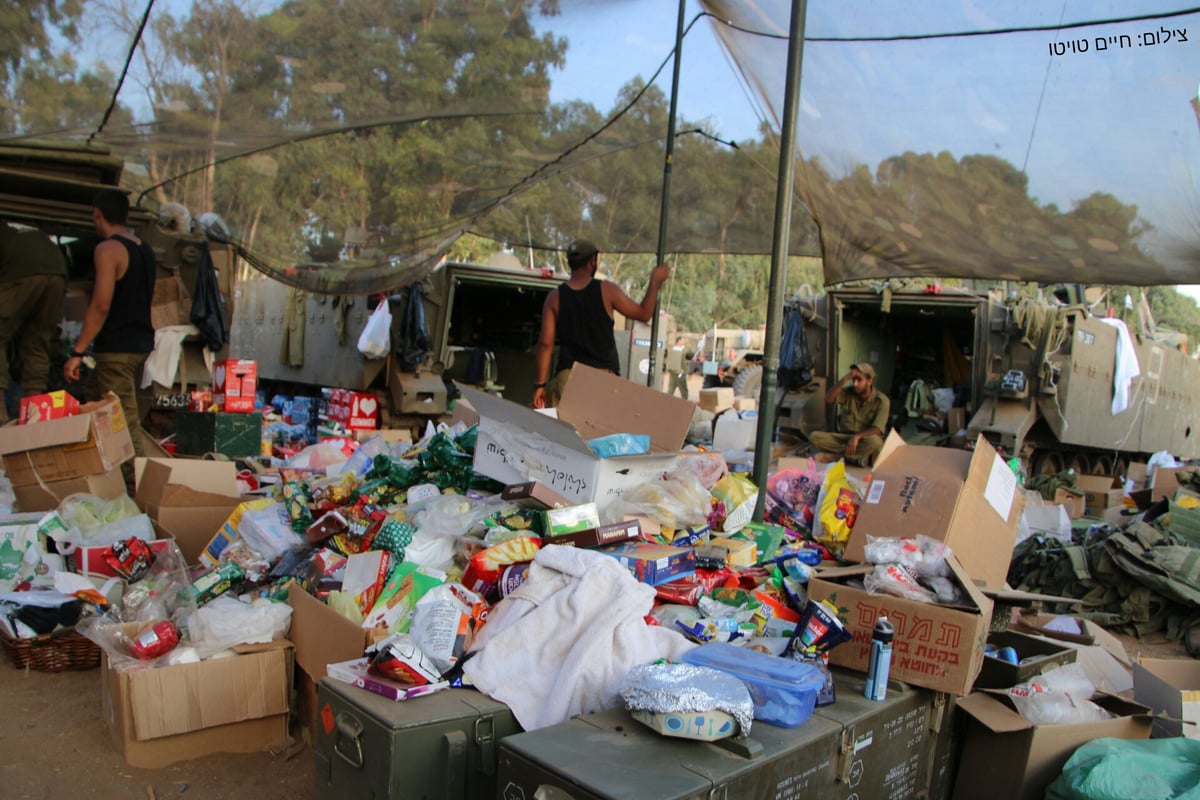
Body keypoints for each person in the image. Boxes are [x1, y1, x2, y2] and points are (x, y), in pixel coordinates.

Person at [64, 189, 156, 456]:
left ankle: (136, 486)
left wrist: (77, 352)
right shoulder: (144, 249)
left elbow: (101, 304)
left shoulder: (108, 249)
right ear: (127, 216)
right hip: (139, 344)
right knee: (93, 401)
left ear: (97, 215)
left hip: (117, 347)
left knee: (122, 422)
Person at [533, 240, 670, 408]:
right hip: (603, 379)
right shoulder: (607, 290)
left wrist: (540, 385)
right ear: (592, 261)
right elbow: (643, 313)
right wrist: (655, 280)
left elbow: (545, 344)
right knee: (599, 433)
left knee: (563, 431)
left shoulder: (554, 297)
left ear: (570, 263)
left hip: (568, 377)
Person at [0, 221, 68, 422]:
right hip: (57, 275)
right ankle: (34, 414)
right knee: (38, 341)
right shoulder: (18, 230)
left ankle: (0, 414)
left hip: (22, 274)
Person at [808, 362, 890, 466]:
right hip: (844, 438)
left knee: (875, 442)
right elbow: (828, 399)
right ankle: (856, 458)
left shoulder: (882, 400)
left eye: (859, 380)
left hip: (863, 440)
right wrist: (845, 379)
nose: (855, 383)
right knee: (814, 437)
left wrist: (857, 437)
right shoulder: (849, 393)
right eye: (853, 379)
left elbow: (878, 429)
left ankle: (836, 457)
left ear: (869, 381)